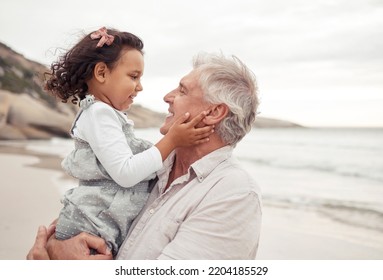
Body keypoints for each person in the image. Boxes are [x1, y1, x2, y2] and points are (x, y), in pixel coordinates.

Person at [27, 52, 262, 260]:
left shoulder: (234, 193)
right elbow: (87, 218)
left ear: (214, 112)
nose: (167, 97)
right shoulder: (148, 165)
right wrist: (56, 247)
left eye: (182, 90)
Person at [41, 27, 214, 257]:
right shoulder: (99, 114)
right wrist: (171, 140)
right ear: (101, 73)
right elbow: (125, 173)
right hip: (93, 224)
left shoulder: (104, 114)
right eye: (134, 76)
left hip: (100, 222)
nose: (140, 86)